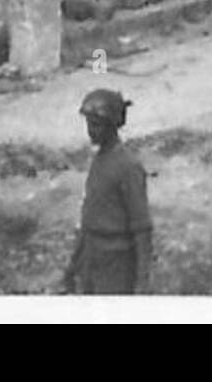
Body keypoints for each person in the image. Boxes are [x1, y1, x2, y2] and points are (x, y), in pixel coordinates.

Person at [61, 90, 153, 295]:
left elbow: (142, 227)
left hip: (117, 262)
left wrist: (142, 281)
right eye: (89, 124)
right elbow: (90, 218)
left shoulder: (128, 166)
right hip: (92, 256)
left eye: (96, 125)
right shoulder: (99, 160)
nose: (91, 131)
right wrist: (74, 263)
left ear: (112, 126)